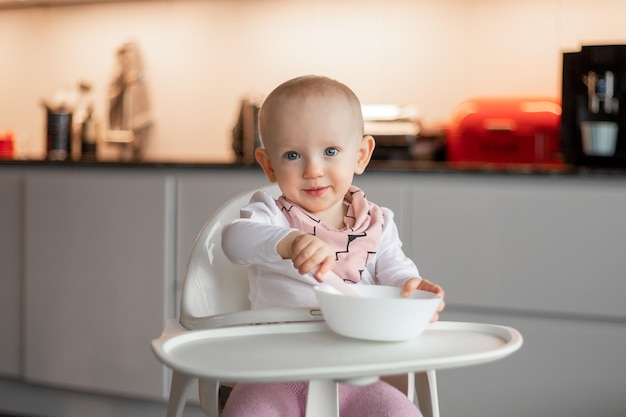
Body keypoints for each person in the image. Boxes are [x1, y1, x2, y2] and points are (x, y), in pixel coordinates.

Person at [221, 75, 445, 417]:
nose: (313, 170)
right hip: (273, 372)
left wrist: (410, 288)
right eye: (293, 154)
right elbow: (234, 239)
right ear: (268, 165)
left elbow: (394, 269)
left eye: (330, 151)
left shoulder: (377, 222)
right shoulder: (272, 215)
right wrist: (287, 241)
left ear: (360, 155)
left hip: (356, 376)